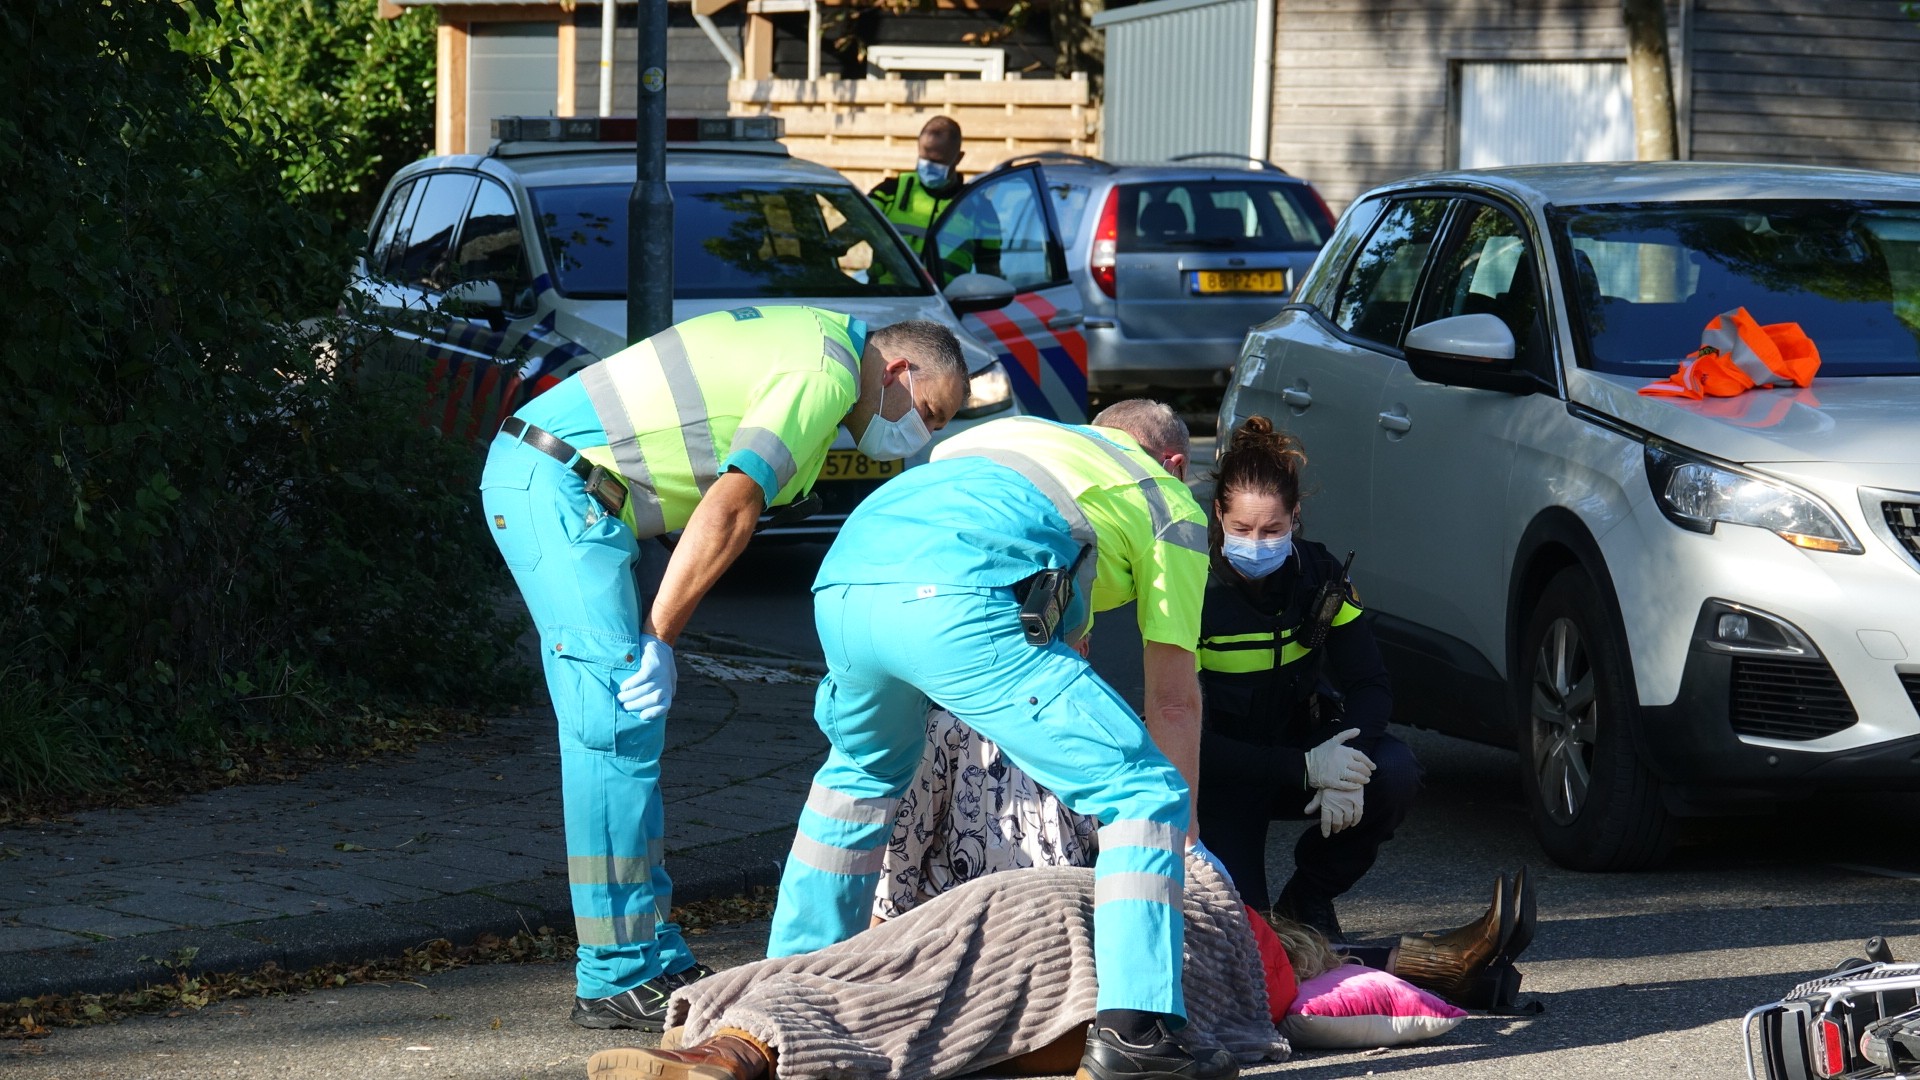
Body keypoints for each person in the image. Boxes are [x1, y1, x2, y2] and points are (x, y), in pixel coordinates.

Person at [479, 307, 968, 1030]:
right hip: (558, 483)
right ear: (896, 370)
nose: (919, 435)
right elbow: (733, 505)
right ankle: (616, 973)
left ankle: (650, 951)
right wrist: (659, 639)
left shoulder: (818, 344)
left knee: (628, 730)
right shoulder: (825, 373)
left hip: (571, 488)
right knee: (613, 727)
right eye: (927, 412)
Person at [767, 402, 1224, 1080]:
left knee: (858, 780)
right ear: (1176, 464)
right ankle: (1136, 1033)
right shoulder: (1169, 504)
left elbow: (1047, 599)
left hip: (846, 581)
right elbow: (1173, 701)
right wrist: (1183, 841)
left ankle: (785, 989)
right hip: (955, 600)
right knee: (1144, 789)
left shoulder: (1008, 436)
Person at [589, 852, 1282, 1080]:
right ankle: (733, 1051)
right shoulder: (1257, 954)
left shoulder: (1215, 901)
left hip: (1034, 900)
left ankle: (720, 1043)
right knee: (922, 1013)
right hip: (1070, 942)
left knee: (883, 975)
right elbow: (1314, 1002)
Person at [1194, 416, 1418, 944]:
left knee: (1394, 771)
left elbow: (1370, 684)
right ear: (1218, 515)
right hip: (1224, 772)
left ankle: (1309, 895)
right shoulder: (1190, 586)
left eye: (1272, 530)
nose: (1256, 543)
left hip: (1306, 749)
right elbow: (1179, 729)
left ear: (1295, 517)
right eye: (1241, 529)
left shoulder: (1320, 573)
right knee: (1250, 942)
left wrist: (1347, 766)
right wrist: (1303, 768)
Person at [866, 116, 968, 259]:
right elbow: (850, 232)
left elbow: (989, 269)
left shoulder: (975, 206)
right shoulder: (890, 192)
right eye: (923, 159)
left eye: (937, 162)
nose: (928, 167)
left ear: (958, 158)